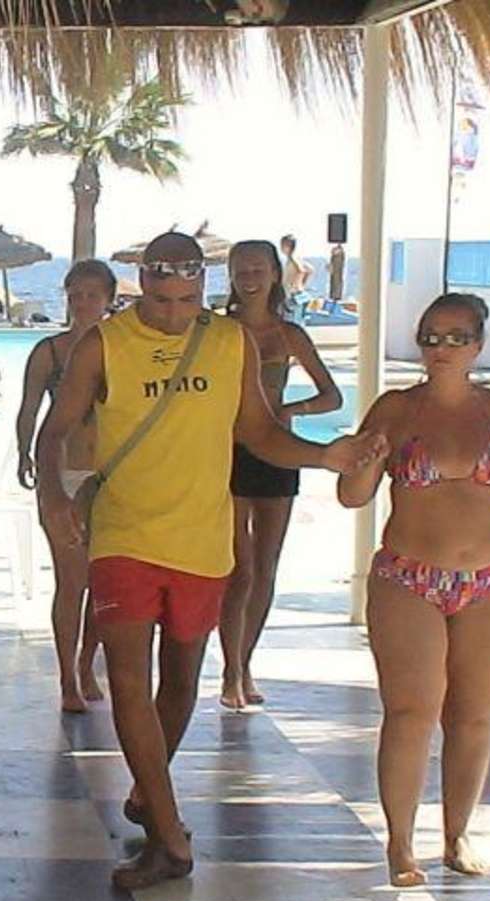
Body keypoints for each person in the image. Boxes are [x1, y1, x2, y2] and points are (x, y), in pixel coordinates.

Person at [37, 233, 378, 892]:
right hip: (125, 535)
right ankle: (170, 839)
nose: (174, 313)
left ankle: (150, 793)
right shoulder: (102, 344)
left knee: (181, 681)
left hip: (202, 540)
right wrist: (54, 493)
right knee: (128, 680)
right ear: (142, 283)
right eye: (162, 299)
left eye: (188, 300)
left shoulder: (229, 342)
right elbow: (56, 429)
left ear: (202, 288)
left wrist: (324, 455)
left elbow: (258, 431)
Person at [336, 293, 490, 887]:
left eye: (456, 338)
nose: (442, 348)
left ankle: (457, 832)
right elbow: (352, 496)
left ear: (479, 345)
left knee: (475, 714)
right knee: (411, 710)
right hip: (409, 576)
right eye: (431, 337)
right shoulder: (396, 409)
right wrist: (367, 460)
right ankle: (400, 841)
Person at [217, 240, 343, 710]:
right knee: (239, 569)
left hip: (278, 452)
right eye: (240, 269)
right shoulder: (218, 332)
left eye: (257, 268)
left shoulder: (290, 336)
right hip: (229, 451)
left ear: (275, 274)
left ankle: (245, 661)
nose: (249, 277)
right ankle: (230, 669)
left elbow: (332, 396)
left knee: (266, 566)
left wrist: (290, 410)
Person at [18, 259, 115, 712]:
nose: (83, 303)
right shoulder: (50, 352)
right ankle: (66, 677)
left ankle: (87, 663)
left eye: (92, 295)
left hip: (111, 475)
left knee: (105, 582)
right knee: (71, 580)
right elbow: (29, 408)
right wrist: (25, 452)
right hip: (64, 474)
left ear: (109, 299)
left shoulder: (121, 349)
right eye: (75, 295)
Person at [279, 234, 311, 319]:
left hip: (293, 294)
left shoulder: (292, 259)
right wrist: (302, 284)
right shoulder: (296, 258)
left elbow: (300, 270)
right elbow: (310, 270)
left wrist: (295, 284)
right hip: (295, 293)